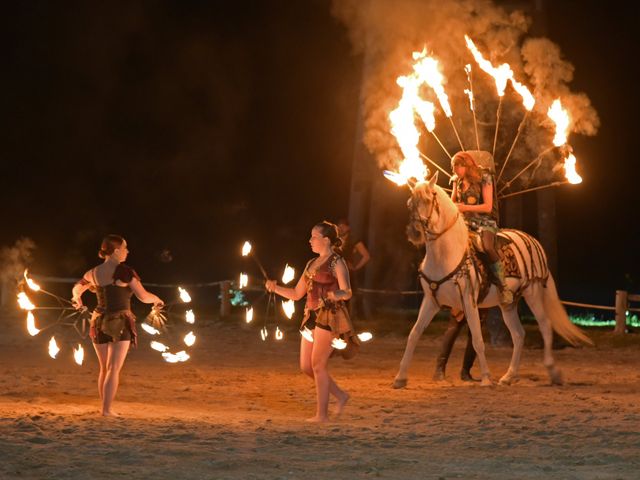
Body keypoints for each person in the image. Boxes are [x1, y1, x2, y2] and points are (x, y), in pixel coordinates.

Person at [265, 221, 357, 423]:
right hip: (310, 317)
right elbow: (297, 294)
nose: (310, 240)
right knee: (306, 366)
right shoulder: (310, 264)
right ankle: (341, 396)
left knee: (318, 365)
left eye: (313, 237)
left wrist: (334, 295)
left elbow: (347, 292)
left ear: (325, 240)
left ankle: (321, 416)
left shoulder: (336, 262)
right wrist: (276, 288)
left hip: (328, 316)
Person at [72, 235, 164, 417]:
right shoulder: (125, 272)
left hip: (97, 321)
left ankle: (104, 407)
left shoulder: (93, 272)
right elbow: (143, 296)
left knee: (104, 368)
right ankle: (106, 410)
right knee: (113, 369)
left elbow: (77, 288)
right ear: (116, 251)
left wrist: (77, 299)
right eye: (125, 248)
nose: (127, 251)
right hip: (119, 322)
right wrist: (158, 300)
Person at [450, 150, 513, 305]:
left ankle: (503, 286)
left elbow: (487, 207)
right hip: (464, 223)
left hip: (485, 222)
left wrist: (464, 208)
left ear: (467, 165)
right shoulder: (457, 181)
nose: (455, 171)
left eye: (458, 166)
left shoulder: (485, 178)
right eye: (453, 167)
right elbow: (452, 204)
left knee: (487, 246)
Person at [336, 218, 370, 319]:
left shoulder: (354, 240)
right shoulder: (335, 240)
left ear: (348, 227)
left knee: (347, 298)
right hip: (334, 272)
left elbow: (366, 256)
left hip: (347, 272)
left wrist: (355, 268)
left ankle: (347, 322)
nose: (340, 228)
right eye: (339, 226)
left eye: (343, 226)